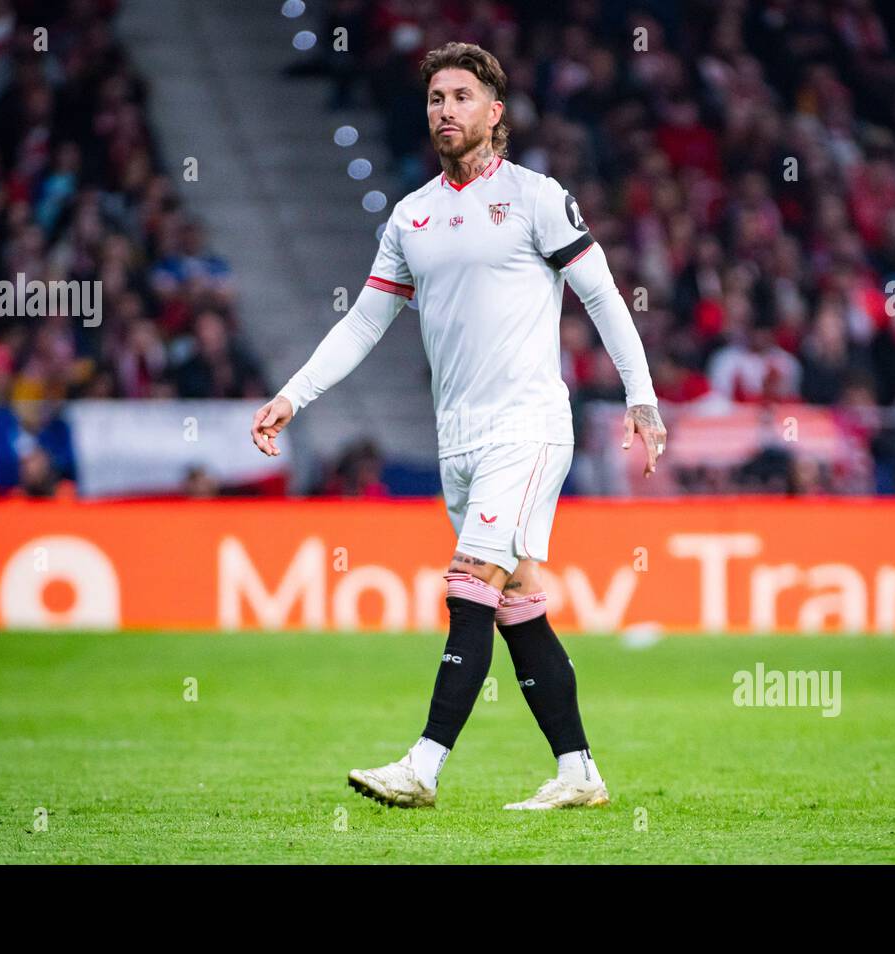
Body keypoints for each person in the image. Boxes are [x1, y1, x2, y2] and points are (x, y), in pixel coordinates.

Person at [250, 42, 665, 810]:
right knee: (516, 604)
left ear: (494, 113)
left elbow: (605, 297)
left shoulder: (539, 197)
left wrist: (640, 395)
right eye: (437, 98)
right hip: (460, 440)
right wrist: (292, 395)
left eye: (462, 97)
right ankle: (578, 771)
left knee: (470, 583)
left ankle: (424, 767)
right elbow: (365, 324)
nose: (446, 110)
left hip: (529, 428)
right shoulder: (411, 217)